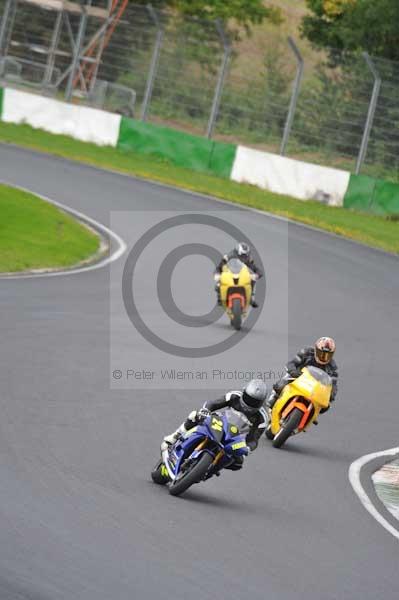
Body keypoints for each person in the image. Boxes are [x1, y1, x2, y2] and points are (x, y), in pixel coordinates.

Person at [162, 379, 268, 471]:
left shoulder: (262, 418)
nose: (250, 404)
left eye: (255, 402)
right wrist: (206, 410)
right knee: (195, 415)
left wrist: (248, 448)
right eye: (249, 399)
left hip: (236, 438)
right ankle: (175, 436)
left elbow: (254, 439)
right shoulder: (234, 396)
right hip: (219, 423)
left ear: (261, 403)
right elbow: (213, 403)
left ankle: (211, 469)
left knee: (238, 462)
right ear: (244, 391)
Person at [267, 337, 338, 413]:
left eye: (327, 355)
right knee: (285, 380)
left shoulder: (332, 367)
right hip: (299, 378)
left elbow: (333, 384)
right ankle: (274, 397)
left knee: (326, 406)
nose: (323, 357)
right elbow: (292, 363)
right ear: (316, 349)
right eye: (321, 353)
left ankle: (311, 415)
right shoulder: (307, 353)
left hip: (315, 388)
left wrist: (332, 394)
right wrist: (293, 371)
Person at [214, 242, 263, 308]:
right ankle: (220, 298)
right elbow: (219, 267)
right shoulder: (228, 257)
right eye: (242, 255)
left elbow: (255, 268)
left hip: (242, 275)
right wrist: (217, 274)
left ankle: (250, 298)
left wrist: (257, 274)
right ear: (237, 253)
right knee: (219, 283)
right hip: (230, 273)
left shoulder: (248, 259)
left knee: (253, 279)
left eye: (246, 255)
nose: (244, 257)